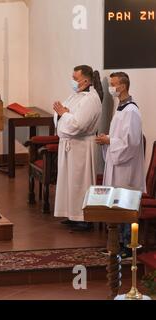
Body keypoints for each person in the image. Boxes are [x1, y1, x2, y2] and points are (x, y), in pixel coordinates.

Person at [95, 72, 145, 258]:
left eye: (114, 84)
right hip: (117, 163)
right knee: (116, 205)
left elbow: (130, 142)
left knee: (125, 205)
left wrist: (109, 140)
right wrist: (108, 140)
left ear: (123, 86)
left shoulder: (131, 111)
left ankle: (127, 246)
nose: (112, 87)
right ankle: (116, 244)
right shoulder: (121, 108)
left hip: (126, 166)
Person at [53, 65, 103, 231]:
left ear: (86, 80)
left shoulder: (91, 99)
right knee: (69, 182)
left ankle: (84, 218)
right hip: (70, 145)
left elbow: (78, 125)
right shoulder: (76, 95)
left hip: (82, 146)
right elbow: (62, 114)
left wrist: (64, 114)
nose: (73, 81)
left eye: (75, 78)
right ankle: (72, 214)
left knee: (80, 183)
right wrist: (62, 113)